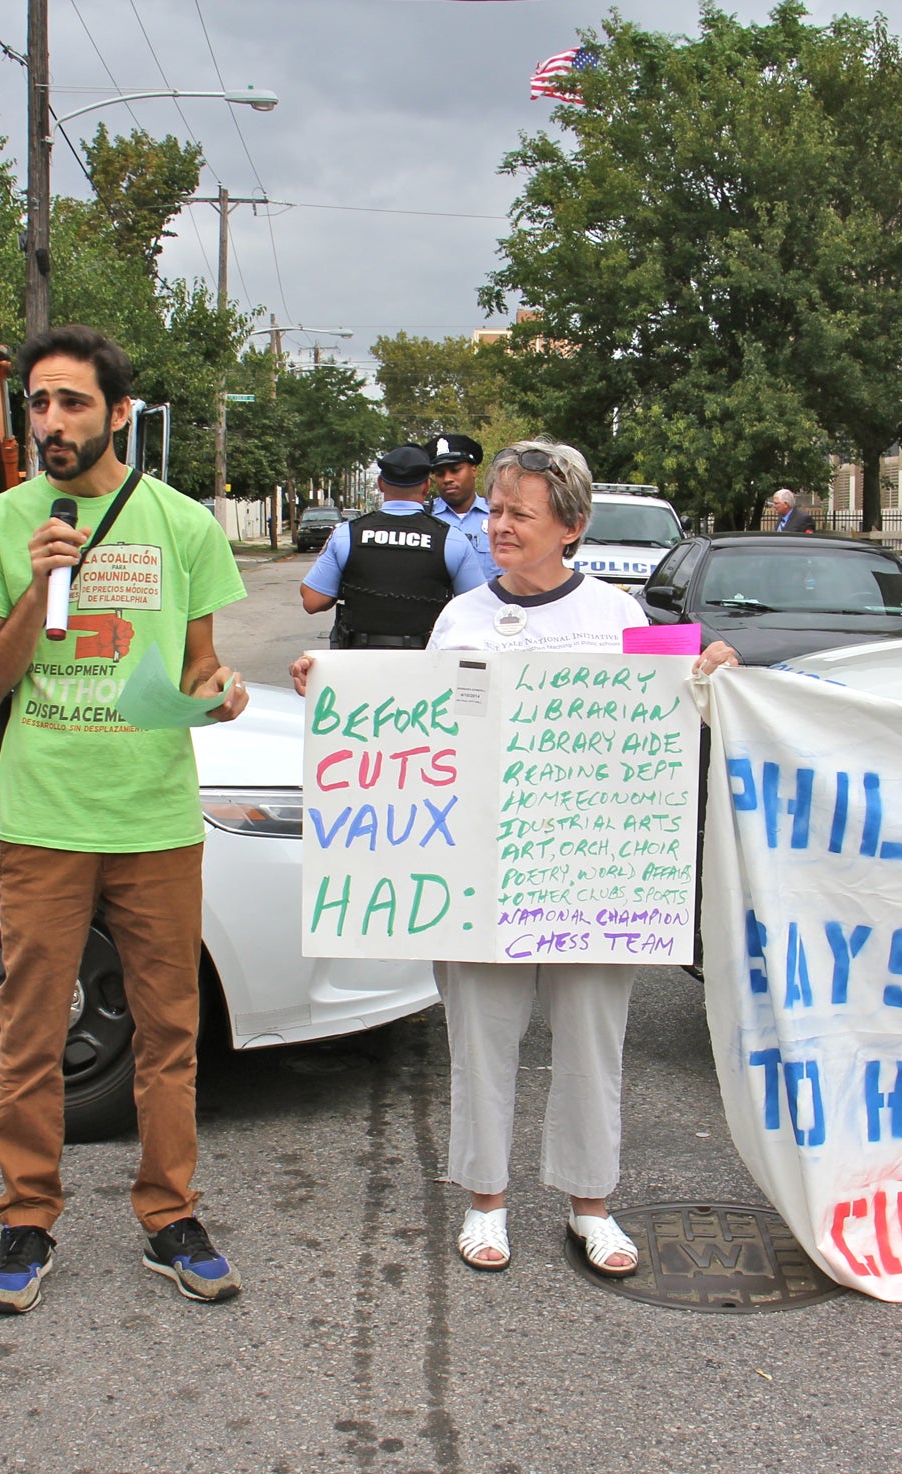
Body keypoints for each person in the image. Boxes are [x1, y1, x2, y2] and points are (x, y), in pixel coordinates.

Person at [289, 441, 736, 1278]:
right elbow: (416, 730)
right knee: (482, 1038)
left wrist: (714, 670)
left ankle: (590, 1204)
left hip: (594, 874)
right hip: (481, 874)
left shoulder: (620, 618)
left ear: (571, 526)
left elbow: (677, 720)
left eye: (518, 513)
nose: (497, 526)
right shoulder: (460, 618)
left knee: (593, 1042)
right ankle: (485, 1201)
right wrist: (337, 686)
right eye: (494, 510)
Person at [0, 324, 251, 1316]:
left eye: (73, 402)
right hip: (45, 815)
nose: (52, 421)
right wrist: (39, 581)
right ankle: (25, 1218)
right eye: (37, 403)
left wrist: (221, 689)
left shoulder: (184, 525)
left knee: (169, 1031)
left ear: (119, 413)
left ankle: (171, 1215)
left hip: (155, 813)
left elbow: (197, 662)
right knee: (29, 1033)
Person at [299, 443, 483, 648]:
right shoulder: (451, 539)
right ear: (425, 486)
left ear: (380, 484)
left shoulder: (346, 535)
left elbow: (313, 601)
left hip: (356, 663)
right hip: (425, 665)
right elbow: (477, 608)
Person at [424, 433, 498, 582]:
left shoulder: (497, 515)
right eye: (440, 474)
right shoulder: (425, 519)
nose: (447, 479)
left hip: (488, 604)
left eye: (455, 470)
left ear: (473, 470)